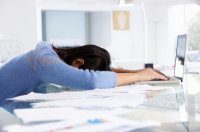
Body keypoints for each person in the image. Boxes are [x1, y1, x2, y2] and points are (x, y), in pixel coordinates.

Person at [0, 41, 168, 105]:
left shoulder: (49, 55)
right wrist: (139, 77)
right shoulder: (45, 61)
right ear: (79, 62)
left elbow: (98, 72)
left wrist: (139, 71)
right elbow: (90, 80)